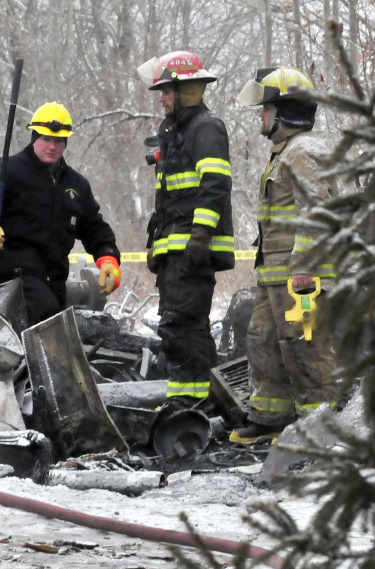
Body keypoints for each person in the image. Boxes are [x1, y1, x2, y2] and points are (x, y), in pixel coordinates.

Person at [230, 67, 338, 444]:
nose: (261, 115)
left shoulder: (305, 152)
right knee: (263, 339)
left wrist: (306, 267)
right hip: (275, 274)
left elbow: (318, 212)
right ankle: (270, 418)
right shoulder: (285, 153)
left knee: (305, 347)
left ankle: (319, 428)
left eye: (267, 108)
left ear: (286, 112)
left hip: (301, 277)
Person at [0, 102, 122, 325]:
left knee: (53, 322)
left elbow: (95, 228)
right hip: (10, 281)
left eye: (58, 141)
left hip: (53, 284)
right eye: (46, 139)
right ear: (34, 138)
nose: (52, 146)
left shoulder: (76, 185)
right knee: (48, 323)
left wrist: (109, 258)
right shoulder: (6, 171)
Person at [136, 50, 235, 406]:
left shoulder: (205, 128)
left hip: (191, 252)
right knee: (183, 331)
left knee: (181, 331)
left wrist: (200, 236)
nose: (161, 99)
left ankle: (188, 408)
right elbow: (168, 202)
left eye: (166, 91)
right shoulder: (179, 132)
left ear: (184, 90)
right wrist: (155, 243)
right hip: (174, 252)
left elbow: (215, 184)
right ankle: (202, 406)